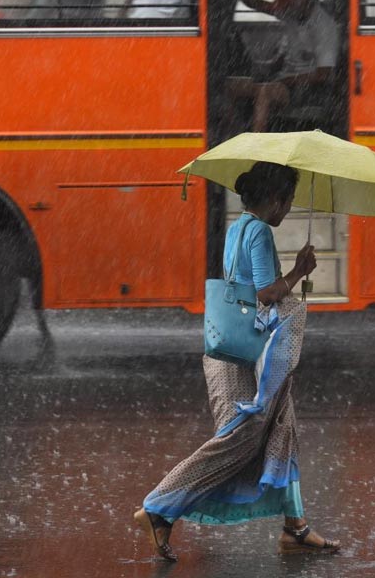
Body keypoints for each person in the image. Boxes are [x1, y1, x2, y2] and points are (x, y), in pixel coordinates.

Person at [133, 161, 340, 562]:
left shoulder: (237, 226)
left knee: (284, 426)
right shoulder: (260, 231)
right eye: (289, 201)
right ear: (276, 199)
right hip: (250, 353)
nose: (289, 210)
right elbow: (264, 293)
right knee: (241, 436)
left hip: (243, 344)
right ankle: (159, 506)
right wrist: (299, 271)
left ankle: (295, 527)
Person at [224, 0, 339, 133]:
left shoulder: (323, 26)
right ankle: (233, 137)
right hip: (283, 81)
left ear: (300, 1)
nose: (282, 12)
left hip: (306, 90)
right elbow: (256, 4)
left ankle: (255, 148)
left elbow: (325, 74)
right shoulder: (292, 11)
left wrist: (288, 80)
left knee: (263, 92)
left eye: (286, 7)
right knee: (231, 86)